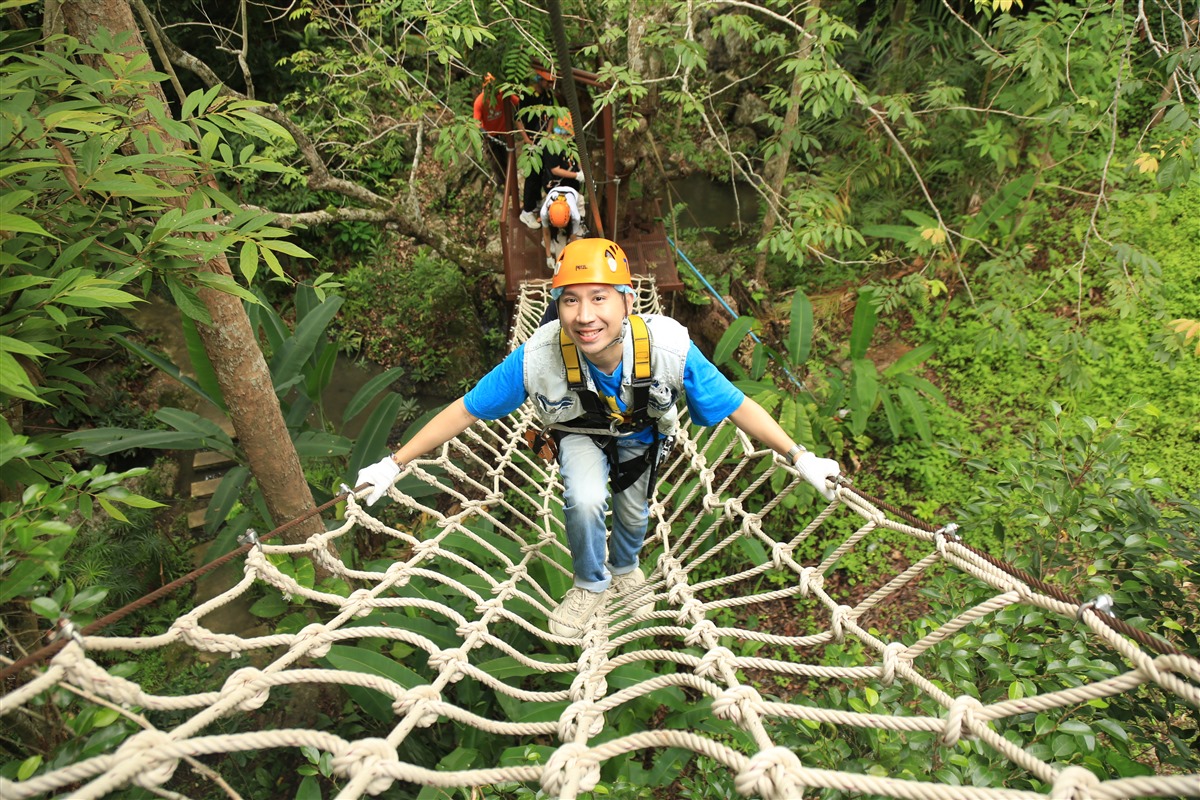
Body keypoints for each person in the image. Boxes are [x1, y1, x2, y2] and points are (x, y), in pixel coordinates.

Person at [354, 238, 842, 639]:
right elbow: (464, 409)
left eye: (599, 298)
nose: (584, 315)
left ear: (628, 302)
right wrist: (394, 463)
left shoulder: (669, 347)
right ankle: (589, 581)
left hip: (643, 434)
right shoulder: (537, 355)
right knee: (585, 499)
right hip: (577, 433)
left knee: (633, 512)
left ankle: (626, 566)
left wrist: (801, 458)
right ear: (557, 306)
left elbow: (738, 406)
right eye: (570, 300)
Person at [516, 69, 557, 230]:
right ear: (539, 79)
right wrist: (527, 140)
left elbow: (552, 115)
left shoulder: (547, 96)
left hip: (543, 140)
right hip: (531, 140)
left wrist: (548, 133)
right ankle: (526, 211)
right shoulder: (527, 95)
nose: (550, 84)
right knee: (532, 175)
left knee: (542, 172)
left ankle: (536, 202)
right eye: (547, 81)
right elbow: (518, 119)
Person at [472, 73, 515, 186]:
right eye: (487, 88)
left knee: (509, 159)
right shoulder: (480, 102)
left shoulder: (503, 94)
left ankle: (511, 185)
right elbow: (476, 121)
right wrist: (481, 130)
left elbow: (517, 102)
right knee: (495, 162)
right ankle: (503, 184)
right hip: (490, 136)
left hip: (506, 133)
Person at [539, 185, 585, 268]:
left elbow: (573, 238)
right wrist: (548, 256)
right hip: (554, 192)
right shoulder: (544, 213)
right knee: (559, 240)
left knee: (578, 236)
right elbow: (546, 233)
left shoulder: (575, 216)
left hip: (576, 199)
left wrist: (572, 260)